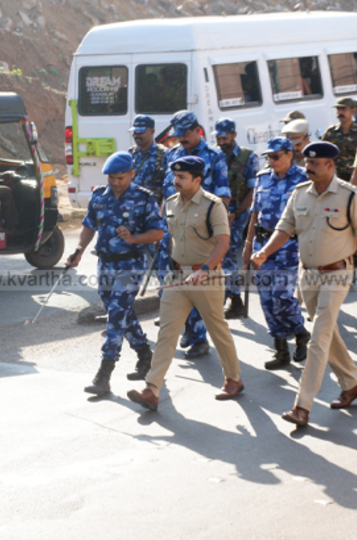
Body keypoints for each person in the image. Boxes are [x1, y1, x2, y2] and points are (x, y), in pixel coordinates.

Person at [252, 141, 357, 428]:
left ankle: (302, 406)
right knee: (327, 333)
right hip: (307, 274)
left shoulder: (350, 196)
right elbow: (284, 229)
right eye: (307, 163)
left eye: (314, 163)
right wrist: (264, 252)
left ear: (330, 165)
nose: (308, 167)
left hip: (337, 274)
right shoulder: (299, 194)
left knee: (318, 338)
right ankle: (352, 383)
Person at [128, 156, 244, 410]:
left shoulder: (214, 206)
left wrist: (205, 269)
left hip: (207, 278)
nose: (175, 181)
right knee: (167, 333)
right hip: (178, 277)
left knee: (217, 330)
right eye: (174, 176)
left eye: (181, 177)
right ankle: (152, 389)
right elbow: (169, 239)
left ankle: (233, 379)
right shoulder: (170, 203)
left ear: (197, 180)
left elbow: (223, 242)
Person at [68, 152, 166, 395]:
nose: (115, 182)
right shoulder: (99, 196)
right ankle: (145, 355)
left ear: (131, 174)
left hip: (130, 265)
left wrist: (134, 238)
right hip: (105, 265)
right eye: (111, 177)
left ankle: (104, 374)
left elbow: (158, 233)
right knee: (121, 312)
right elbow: (89, 225)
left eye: (120, 178)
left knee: (114, 317)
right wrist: (79, 250)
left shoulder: (144, 198)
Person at [158, 110, 231, 359]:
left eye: (185, 134)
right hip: (174, 229)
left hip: (201, 231)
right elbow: (166, 192)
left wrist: (215, 228)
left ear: (197, 130)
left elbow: (223, 194)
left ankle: (200, 338)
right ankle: (189, 327)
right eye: (178, 135)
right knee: (173, 282)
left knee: (198, 282)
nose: (181, 139)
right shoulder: (173, 154)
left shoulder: (214, 155)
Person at [242, 138, 311, 370]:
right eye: (268, 157)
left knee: (282, 296)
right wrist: (248, 245)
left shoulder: (304, 179)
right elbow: (254, 215)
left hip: (289, 246)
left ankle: (301, 333)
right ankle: (281, 349)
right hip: (262, 245)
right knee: (267, 299)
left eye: (276, 156)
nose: (271, 161)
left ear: (289, 154)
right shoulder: (262, 178)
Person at [215, 117, 260, 319]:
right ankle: (225, 296)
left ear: (234, 135)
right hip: (217, 212)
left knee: (228, 254)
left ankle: (234, 298)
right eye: (219, 138)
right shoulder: (215, 155)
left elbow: (253, 191)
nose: (222, 142)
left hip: (238, 213)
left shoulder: (248, 157)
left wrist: (237, 212)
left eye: (225, 138)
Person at [322, 96, 357, 181]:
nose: (340, 112)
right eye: (338, 110)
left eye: (344, 109)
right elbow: (323, 154)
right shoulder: (330, 133)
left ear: (353, 111)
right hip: (336, 177)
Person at [128, 115, 168, 203]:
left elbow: (168, 186)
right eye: (135, 132)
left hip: (153, 208)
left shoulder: (163, 154)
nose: (136, 136)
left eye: (141, 132)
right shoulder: (131, 153)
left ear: (152, 131)